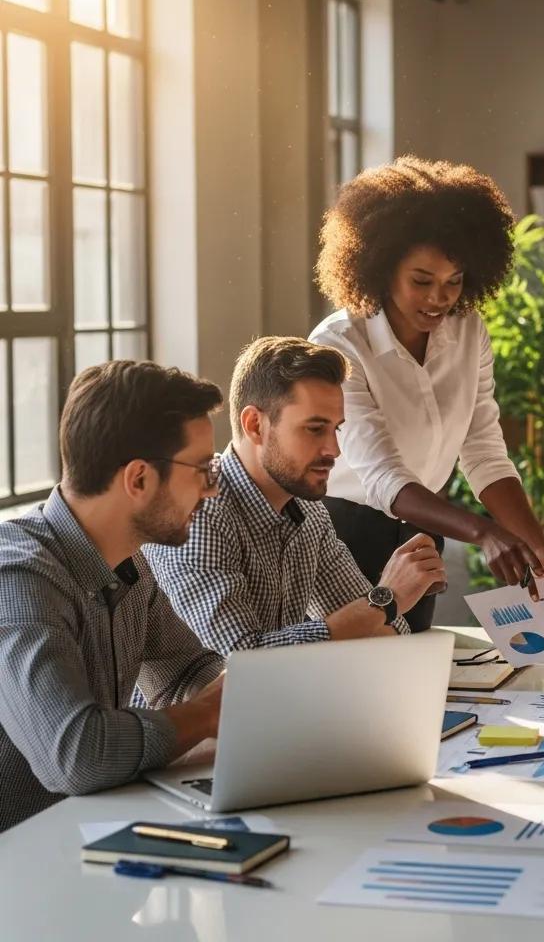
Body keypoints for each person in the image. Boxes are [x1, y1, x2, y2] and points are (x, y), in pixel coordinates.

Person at [310, 155, 544, 631]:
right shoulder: (339, 345)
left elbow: (484, 450)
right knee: (351, 679)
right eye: (421, 281)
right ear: (380, 268)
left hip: (423, 531)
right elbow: (382, 475)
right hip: (341, 534)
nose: (440, 298)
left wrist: (534, 542)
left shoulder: (469, 332)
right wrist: (484, 532)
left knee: (416, 672)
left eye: (454, 282)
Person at [0, 361, 226, 832]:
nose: (211, 489)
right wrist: (205, 714)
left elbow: (186, 671)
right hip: (20, 872)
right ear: (139, 479)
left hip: (87, 839)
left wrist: (266, 690)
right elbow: (78, 754)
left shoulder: (128, 563)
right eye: (203, 470)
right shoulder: (18, 579)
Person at [146, 336, 444, 652]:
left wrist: (392, 599)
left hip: (279, 698)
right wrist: (387, 598)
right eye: (315, 429)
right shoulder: (199, 512)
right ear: (254, 425)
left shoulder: (308, 511)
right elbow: (244, 660)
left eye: (336, 429)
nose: (334, 450)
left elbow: (377, 632)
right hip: (195, 702)